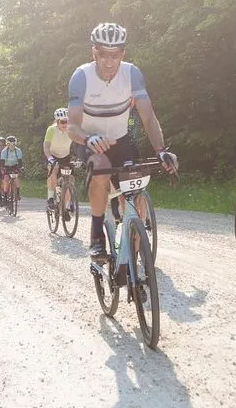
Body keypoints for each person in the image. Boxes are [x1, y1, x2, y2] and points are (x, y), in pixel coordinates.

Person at [67, 22, 177, 260]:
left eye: (114, 54)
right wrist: (89, 138)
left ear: (122, 53)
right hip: (90, 142)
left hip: (121, 140)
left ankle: (132, 255)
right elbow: (73, 126)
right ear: (93, 52)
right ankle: (97, 235)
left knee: (135, 185)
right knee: (102, 168)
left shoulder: (132, 74)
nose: (109, 60)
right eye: (102, 54)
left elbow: (148, 116)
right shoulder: (81, 76)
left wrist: (161, 150)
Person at [43, 108, 75, 211]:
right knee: (53, 172)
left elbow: (79, 144)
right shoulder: (51, 130)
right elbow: (46, 146)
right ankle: (51, 198)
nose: (65, 124)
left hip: (66, 156)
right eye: (62, 122)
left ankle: (66, 207)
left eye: (67, 121)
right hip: (53, 155)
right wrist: (50, 158)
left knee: (69, 179)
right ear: (57, 122)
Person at [0, 136, 23, 205]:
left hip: (15, 166)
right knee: (6, 180)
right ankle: (6, 195)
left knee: (16, 179)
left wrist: (20, 168)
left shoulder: (18, 151)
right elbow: (2, 162)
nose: (12, 146)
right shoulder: (4, 151)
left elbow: (20, 161)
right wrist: (3, 169)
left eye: (13, 144)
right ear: (7, 144)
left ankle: (17, 194)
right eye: (10, 144)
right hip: (6, 166)